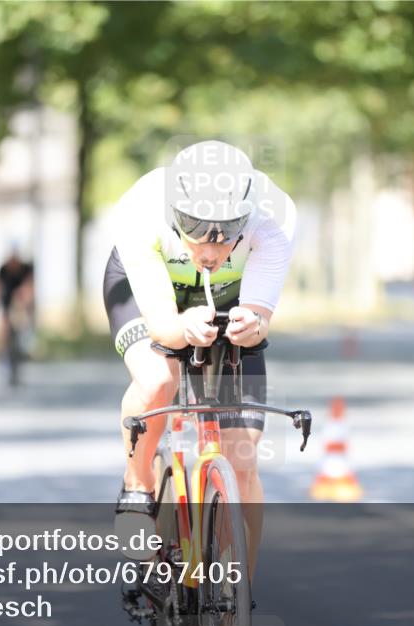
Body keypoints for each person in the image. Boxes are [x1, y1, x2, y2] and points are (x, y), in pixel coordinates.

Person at [104, 139, 295, 579]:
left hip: (228, 292)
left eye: (227, 230)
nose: (210, 246)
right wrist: (183, 327)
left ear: (247, 216)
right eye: (194, 226)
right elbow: (162, 327)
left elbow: (261, 317)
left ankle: (237, 602)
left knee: (243, 456)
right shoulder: (139, 212)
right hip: (151, 291)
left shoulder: (276, 219)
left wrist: (253, 324)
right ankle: (138, 484)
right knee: (158, 379)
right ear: (174, 212)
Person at [0, 244, 35, 369]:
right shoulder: (3, 269)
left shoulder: (26, 268)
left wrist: (25, 297)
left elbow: (30, 286)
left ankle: (26, 344)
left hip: (21, 301)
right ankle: (2, 352)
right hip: (6, 300)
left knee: (23, 323)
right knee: (3, 327)